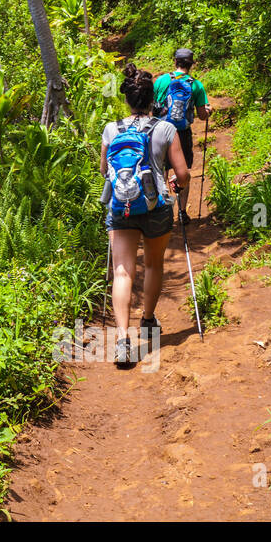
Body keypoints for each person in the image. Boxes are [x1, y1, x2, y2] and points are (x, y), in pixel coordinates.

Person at [102, 64, 191, 367]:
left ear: (127, 99)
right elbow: (183, 173)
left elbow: (104, 171)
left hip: (121, 205)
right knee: (153, 264)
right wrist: (177, 183)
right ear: (153, 99)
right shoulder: (166, 129)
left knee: (122, 272)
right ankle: (149, 320)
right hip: (157, 206)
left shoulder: (112, 129)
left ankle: (123, 340)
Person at [154, 48, 211, 222]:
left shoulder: (161, 80)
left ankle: (163, 210)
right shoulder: (196, 85)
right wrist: (208, 110)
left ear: (175, 62)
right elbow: (202, 115)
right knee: (183, 171)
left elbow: (153, 107)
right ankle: (182, 212)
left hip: (161, 131)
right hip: (182, 134)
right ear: (191, 64)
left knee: (161, 170)